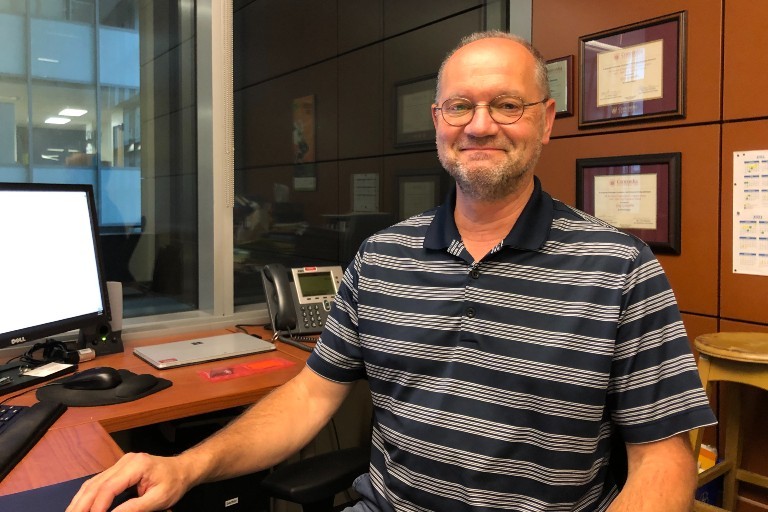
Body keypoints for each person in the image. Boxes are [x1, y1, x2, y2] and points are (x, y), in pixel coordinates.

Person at [67, 31, 716, 512]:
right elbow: (307, 399)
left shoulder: (621, 269)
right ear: (438, 125)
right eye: (459, 107)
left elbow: (664, 460)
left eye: (507, 105)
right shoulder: (379, 259)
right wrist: (186, 468)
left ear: (546, 122)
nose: (480, 126)